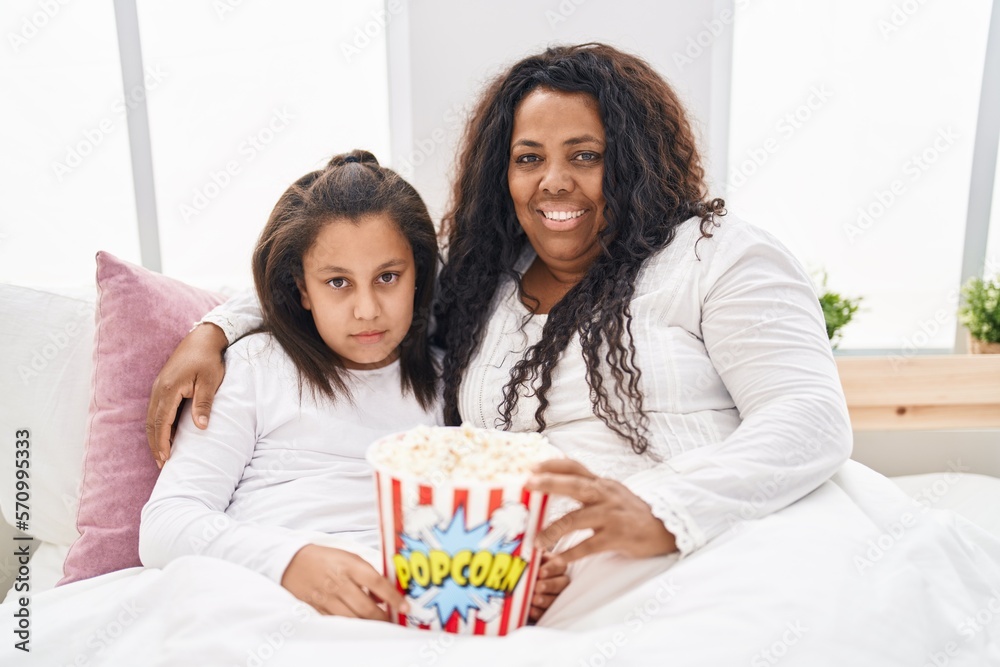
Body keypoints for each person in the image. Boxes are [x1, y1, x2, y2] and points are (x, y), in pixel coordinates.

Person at [147, 44, 850, 618]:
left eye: (585, 154)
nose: (553, 181)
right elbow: (354, 268)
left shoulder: (716, 255)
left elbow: (810, 414)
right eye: (528, 157)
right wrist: (216, 326)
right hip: (535, 599)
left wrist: (665, 509)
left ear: (632, 160)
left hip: (713, 554)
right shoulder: (486, 278)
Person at [141, 150, 440, 620]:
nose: (367, 310)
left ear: (417, 275)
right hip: (259, 594)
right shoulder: (254, 366)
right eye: (338, 282)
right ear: (302, 289)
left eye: (387, 277)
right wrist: (291, 561)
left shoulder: (450, 383)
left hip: (395, 607)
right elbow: (165, 525)